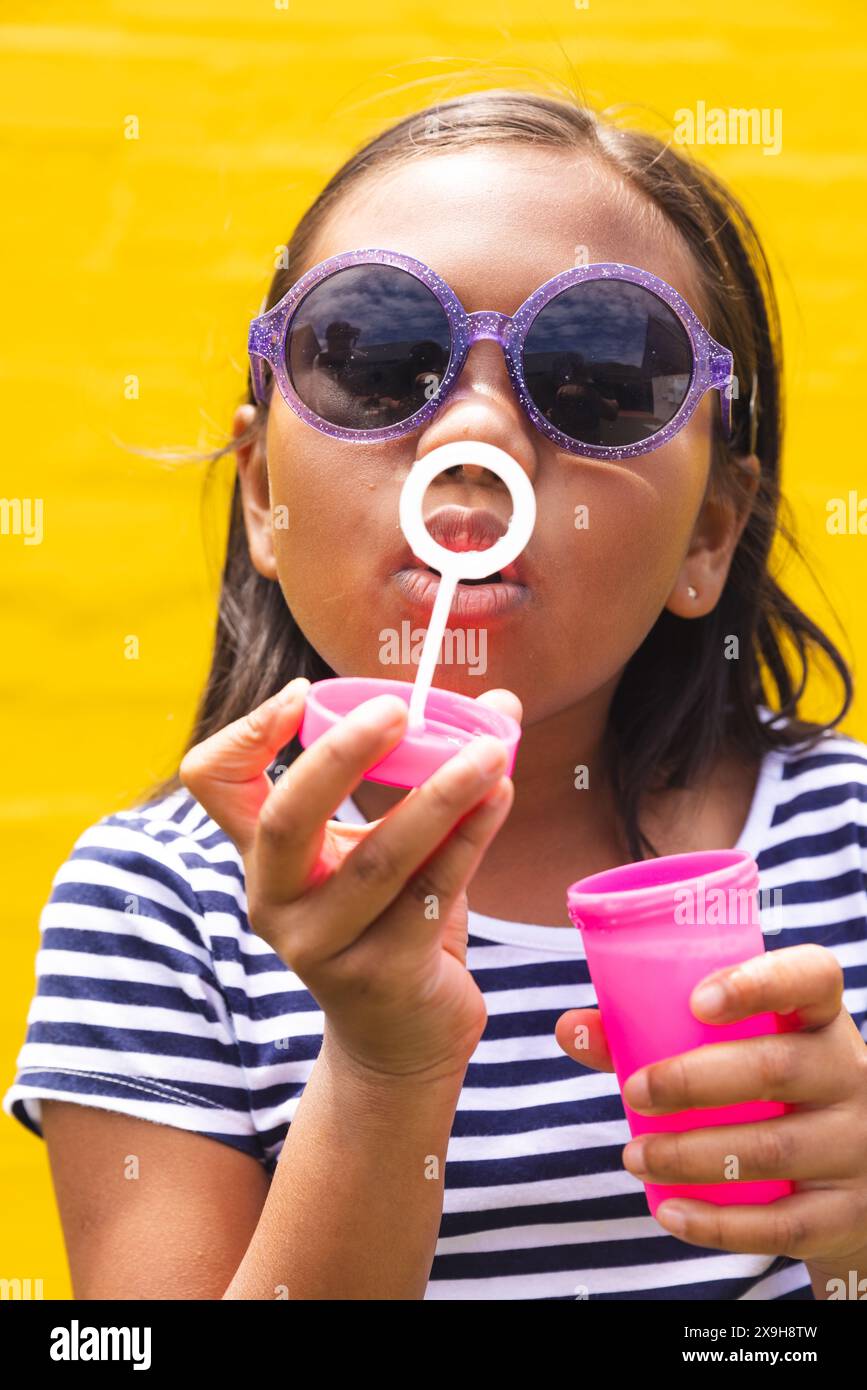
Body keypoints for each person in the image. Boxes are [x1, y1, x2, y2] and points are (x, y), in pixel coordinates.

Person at [5, 89, 867, 1301]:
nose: (477, 434)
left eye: (602, 375)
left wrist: (853, 1241)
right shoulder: (162, 913)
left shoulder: (854, 851)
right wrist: (385, 1063)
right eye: (375, 355)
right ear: (265, 497)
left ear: (709, 539)